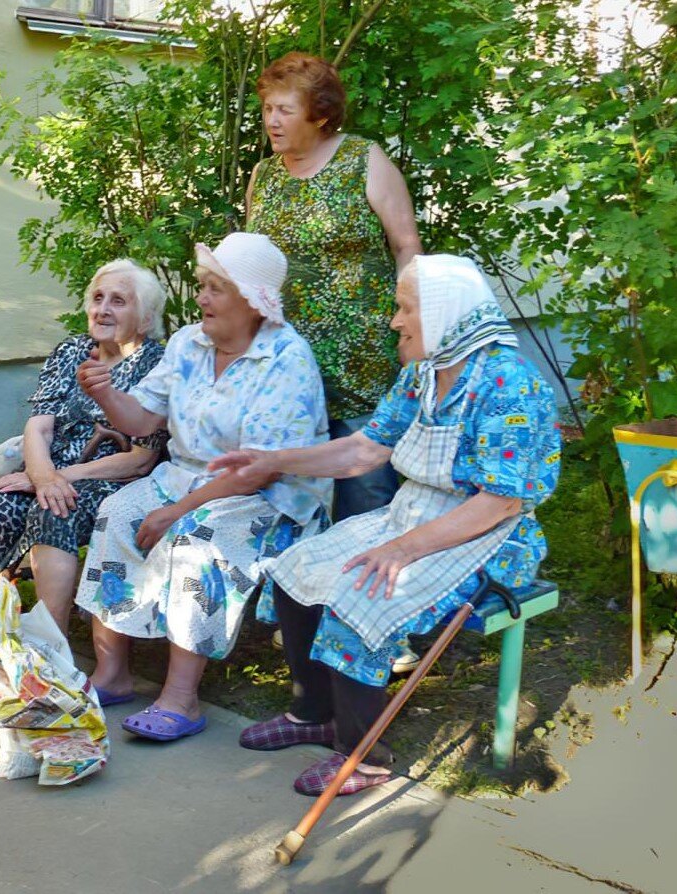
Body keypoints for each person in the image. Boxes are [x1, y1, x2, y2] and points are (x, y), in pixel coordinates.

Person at [210, 255, 561, 795]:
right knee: (294, 568)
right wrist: (274, 460)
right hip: (414, 515)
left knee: (362, 592)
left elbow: (500, 503)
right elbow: (363, 449)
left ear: (444, 311)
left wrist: (402, 550)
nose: (396, 321)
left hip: (490, 539)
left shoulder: (510, 384)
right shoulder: (424, 372)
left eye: (405, 308)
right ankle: (316, 714)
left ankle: (364, 756)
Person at [73, 232, 331, 739]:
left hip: (266, 495)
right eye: (202, 286)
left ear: (253, 302)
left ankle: (181, 699)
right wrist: (105, 395)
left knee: (196, 541)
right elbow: (144, 419)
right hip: (186, 476)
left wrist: (177, 511)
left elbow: (262, 469)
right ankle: (113, 673)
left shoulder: (287, 359)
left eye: (216, 289)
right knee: (119, 512)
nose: (202, 298)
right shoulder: (187, 343)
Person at [246, 50, 425, 672]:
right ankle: (303, 613)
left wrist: (412, 328)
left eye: (283, 109)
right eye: (267, 108)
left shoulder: (363, 160)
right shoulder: (265, 176)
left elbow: (407, 246)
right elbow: (254, 264)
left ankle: (380, 626)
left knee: (365, 485)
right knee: (295, 484)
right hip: (288, 362)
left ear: (320, 116)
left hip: (364, 356)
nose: (270, 120)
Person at [0, 260, 167, 633]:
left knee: (55, 509)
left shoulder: (156, 363)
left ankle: (51, 640)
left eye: (119, 301)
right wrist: (41, 475)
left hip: (114, 482)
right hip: (50, 472)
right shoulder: (71, 350)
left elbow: (141, 459)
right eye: (98, 298)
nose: (103, 309)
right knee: (1, 503)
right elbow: (39, 426)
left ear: (145, 318)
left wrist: (53, 480)